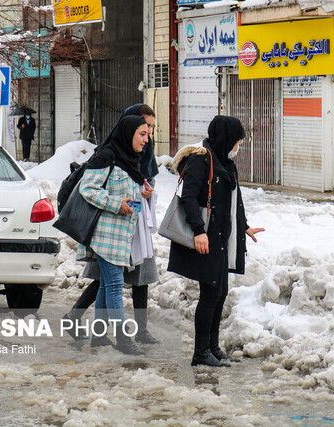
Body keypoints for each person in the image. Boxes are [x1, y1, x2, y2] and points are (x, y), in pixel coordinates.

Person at [167, 115, 264, 367]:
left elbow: (233, 201)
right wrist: (198, 231)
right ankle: (200, 353)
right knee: (209, 293)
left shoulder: (224, 161)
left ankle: (212, 348)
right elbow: (188, 197)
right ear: (226, 139)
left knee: (219, 292)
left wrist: (244, 226)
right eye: (237, 142)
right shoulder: (201, 159)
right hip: (206, 237)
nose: (238, 147)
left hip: (222, 236)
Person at [64, 104, 160, 345]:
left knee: (113, 282)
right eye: (144, 128)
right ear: (129, 127)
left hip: (131, 224)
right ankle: (124, 337)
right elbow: (91, 188)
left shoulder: (137, 152)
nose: (147, 135)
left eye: (151, 129)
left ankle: (104, 335)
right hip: (109, 229)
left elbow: (136, 182)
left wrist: (144, 193)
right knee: (112, 282)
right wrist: (118, 204)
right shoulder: (110, 153)